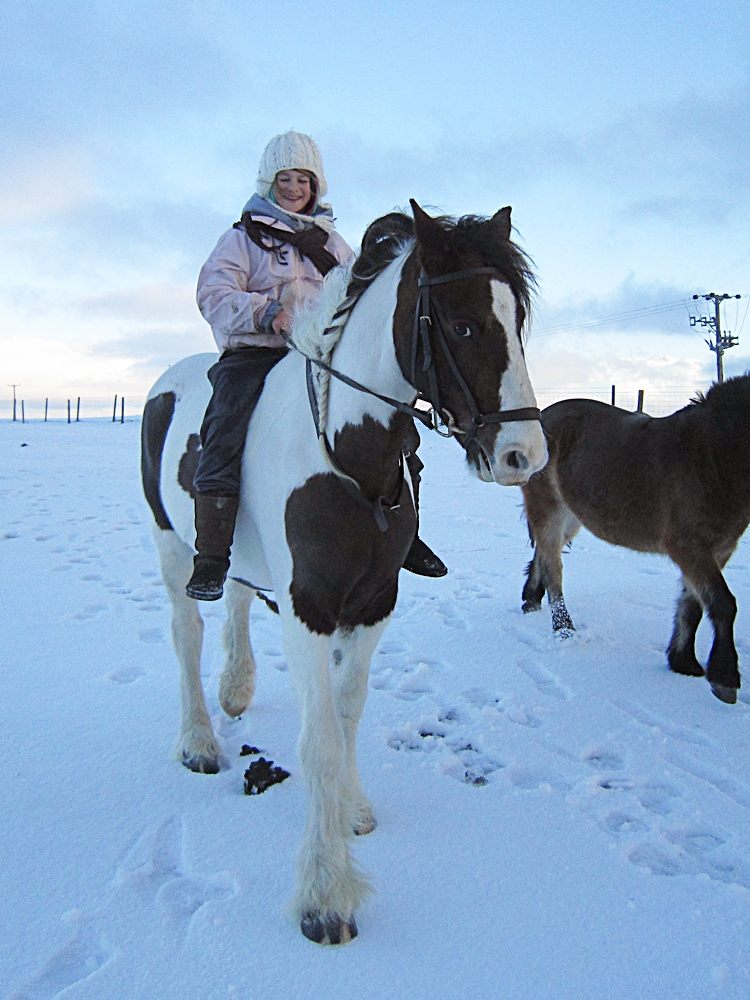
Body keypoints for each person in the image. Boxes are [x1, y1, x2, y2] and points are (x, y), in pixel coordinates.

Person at [188, 130, 446, 601]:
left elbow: (362, 296)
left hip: (322, 356)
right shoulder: (242, 239)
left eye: (303, 179)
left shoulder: (333, 245)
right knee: (225, 427)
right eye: (284, 178)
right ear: (268, 183)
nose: (294, 188)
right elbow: (213, 294)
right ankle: (212, 554)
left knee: (399, 429)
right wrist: (268, 313)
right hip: (255, 355)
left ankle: (406, 534)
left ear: (316, 185)